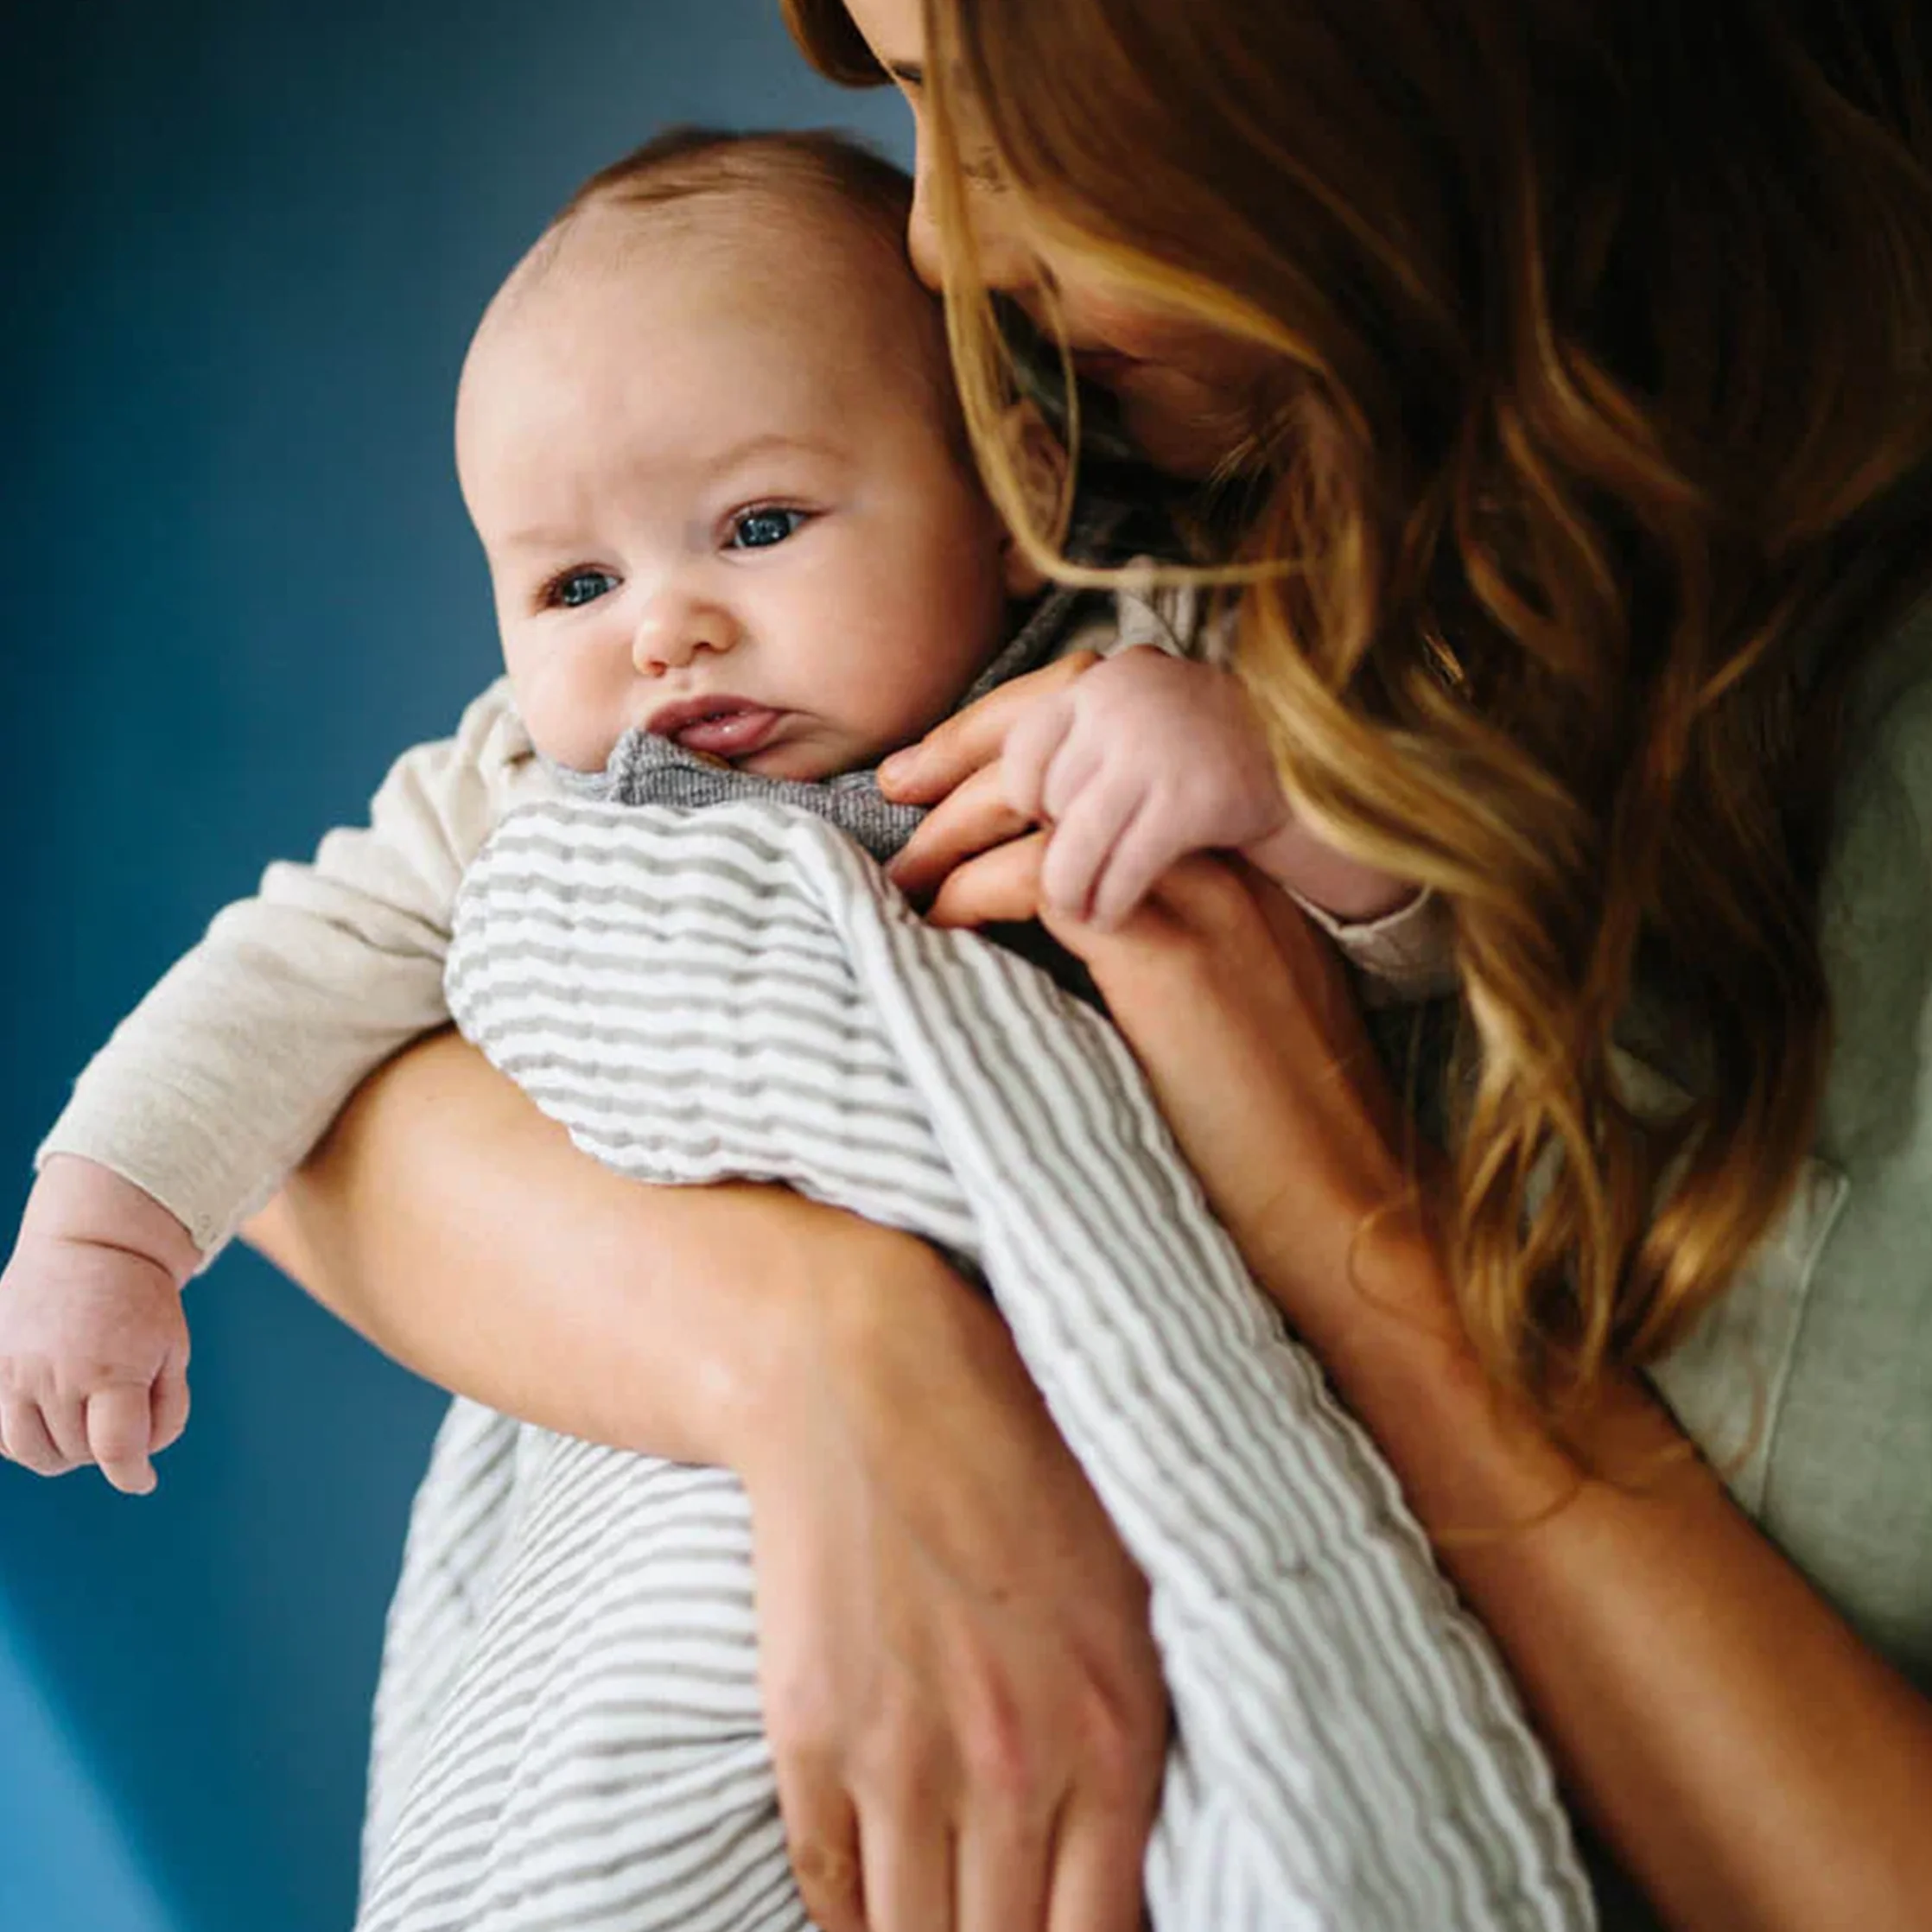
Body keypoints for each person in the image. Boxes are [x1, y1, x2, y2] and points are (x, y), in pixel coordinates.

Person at [127, 1, 1932, 1928]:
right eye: (574, 585)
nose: (937, 234)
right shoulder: (575, 769)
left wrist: (1280, 905)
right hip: (678, 1601)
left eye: (989, 98)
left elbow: (1409, 866)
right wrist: (823, 1355)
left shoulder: (1119, 630)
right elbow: (308, 1084)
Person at [0, 128, 1415, 1498]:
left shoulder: (1144, 668)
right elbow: (277, 981)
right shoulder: (519, 790)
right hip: (682, 1450)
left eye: (759, 526)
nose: (664, 631)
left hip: (1164, 1384)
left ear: (1013, 490)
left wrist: (1276, 790)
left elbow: (1434, 952)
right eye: (576, 587)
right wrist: (102, 1232)